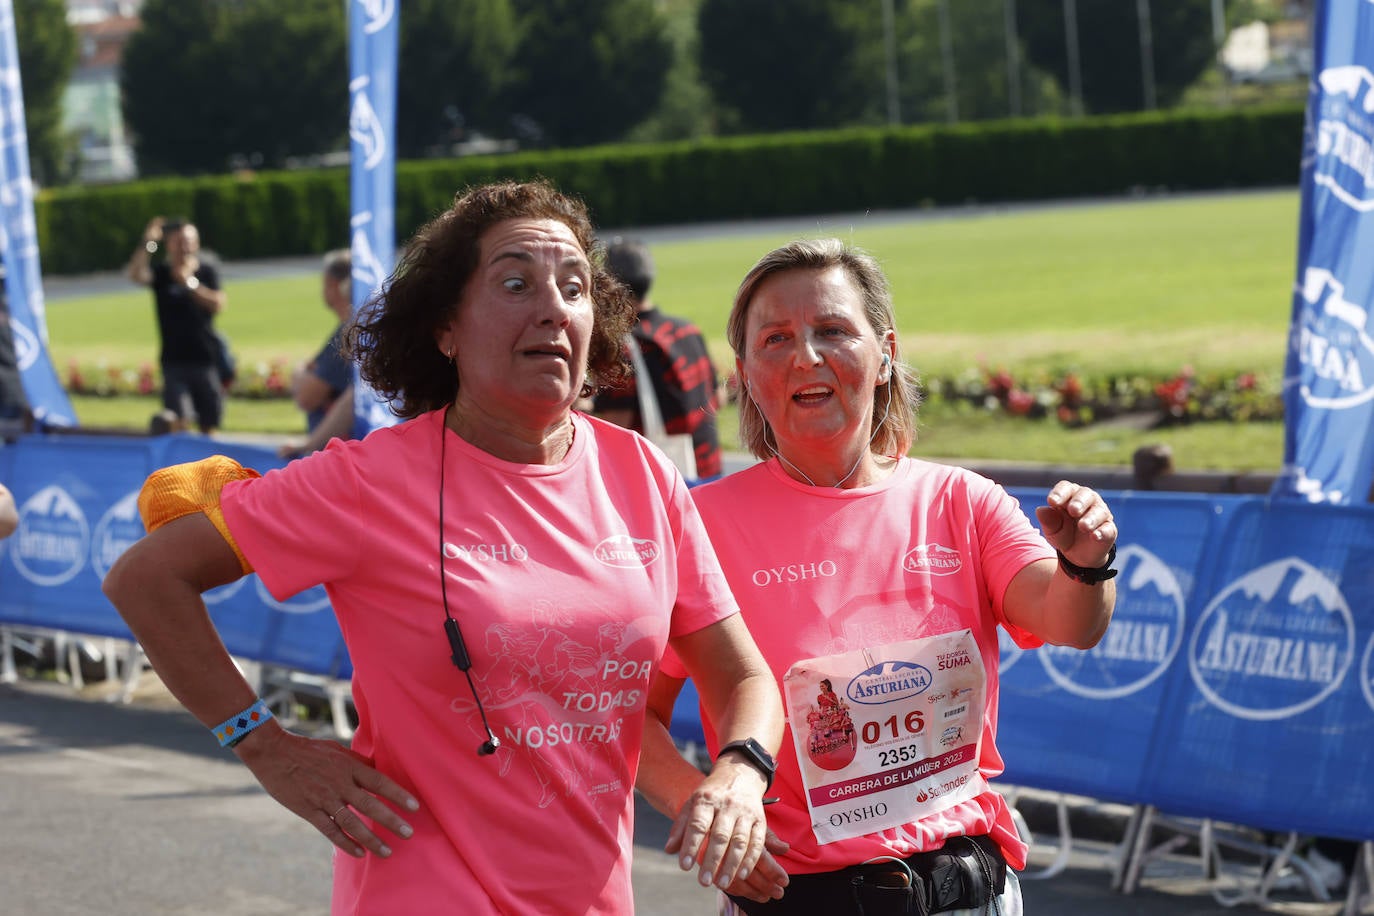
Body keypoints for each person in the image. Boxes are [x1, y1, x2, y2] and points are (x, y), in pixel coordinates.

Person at [102, 180, 785, 915]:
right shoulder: (368, 480)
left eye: (574, 287)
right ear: (445, 328)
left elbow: (744, 676)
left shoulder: (642, 474)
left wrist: (738, 776)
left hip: (590, 895)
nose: (552, 307)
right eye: (515, 283)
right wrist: (265, 746)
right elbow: (146, 579)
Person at [638, 238, 1119, 915]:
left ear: (885, 351)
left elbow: (1071, 619)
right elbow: (626, 711)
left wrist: (1085, 562)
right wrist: (710, 806)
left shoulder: (961, 501)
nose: (807, 355)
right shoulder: (700, 525)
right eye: (776, 339)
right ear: (745, 373)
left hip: (965, 892)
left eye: (833, 330)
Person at [590, 238, 722, 479]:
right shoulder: (687, 330)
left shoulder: (621, 348)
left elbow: (613, 431)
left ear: (607, 285)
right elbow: (718, 397)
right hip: (709, 470)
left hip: (661, 481)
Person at [126, 217, 229, 434]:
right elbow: (135, 274)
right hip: (174, 361)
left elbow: (218, 303)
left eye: (189, 240)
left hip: (204, 358)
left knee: (209, 423)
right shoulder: (163, 274)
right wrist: (149, 243)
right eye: (179, 241)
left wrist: (190, 284)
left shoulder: (205, 270)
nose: (184, 246)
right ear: (170, 244)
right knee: (178, 422)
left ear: (196, 243)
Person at [278, 250, 357, 459]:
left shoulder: (349, 332)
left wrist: (299, 372)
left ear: (333, 284)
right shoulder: (356, 326)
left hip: (342, 457)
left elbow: (308, 396)